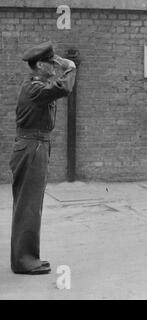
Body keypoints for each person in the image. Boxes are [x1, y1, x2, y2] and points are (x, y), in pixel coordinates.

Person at [10, 41, 77, 274]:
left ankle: (26, 257)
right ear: (39, 64)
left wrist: (61, 66)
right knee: (28, 205)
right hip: (32, 147)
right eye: (50, 62)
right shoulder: (34, 87)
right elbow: (63, 88)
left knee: (30, 205)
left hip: (35, 146)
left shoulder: (38, 84)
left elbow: (56, 87)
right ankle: (24, 261)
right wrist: (71, 67)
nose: (54, 65)